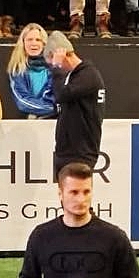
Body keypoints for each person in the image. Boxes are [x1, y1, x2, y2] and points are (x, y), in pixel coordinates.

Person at [43, 32, 107, 175]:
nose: (54, 68)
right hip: (69, 150)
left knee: (75, 189)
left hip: (80, 152)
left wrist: (57, 67)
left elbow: (61, 95)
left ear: (62, 55)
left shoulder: (88, 75)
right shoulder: (76, 76)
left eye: (52, 64)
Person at [7, 23, 56, 118]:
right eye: (29, 39)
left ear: (44, 44)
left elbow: (55, 98)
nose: (34, 43)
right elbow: (22, 102)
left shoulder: (55, 68)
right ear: (23, 43)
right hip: (27, 122)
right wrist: (54, 109)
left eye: (38, 40)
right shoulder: (16, 70)